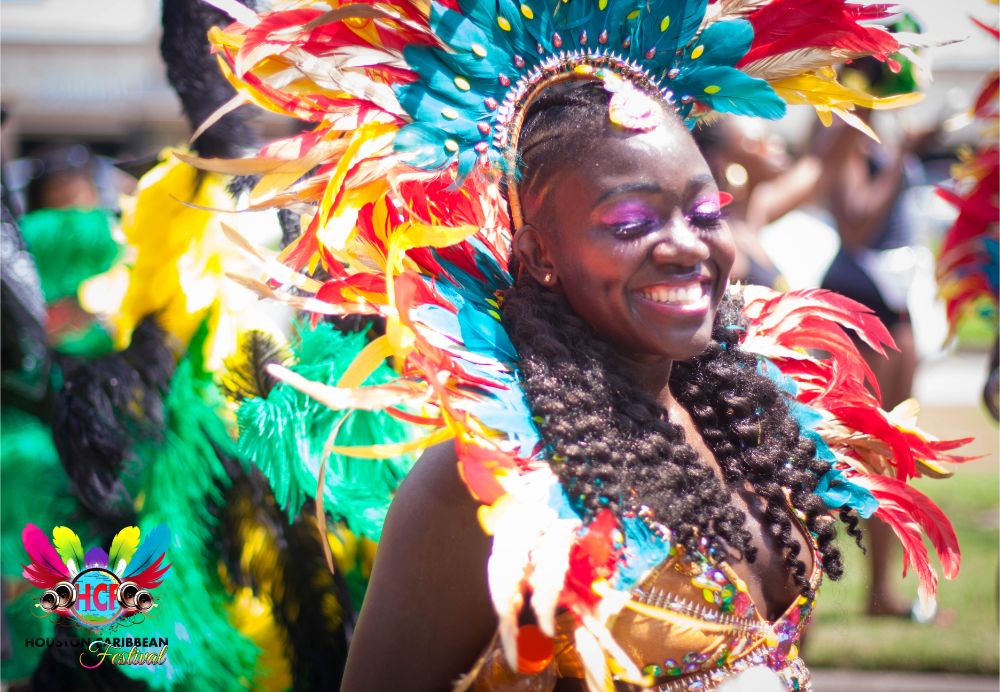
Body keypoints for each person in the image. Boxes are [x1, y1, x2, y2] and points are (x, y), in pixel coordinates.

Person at [206, 1, 969, 689]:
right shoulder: (482, 492)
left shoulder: (750, 426)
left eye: (705, 211)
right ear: (539, 253)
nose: (687, 248)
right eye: (632, 223)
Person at [818, 55, 938, 619]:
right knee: (861, 453)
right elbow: (856, 222)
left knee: (894, 452)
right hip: (861, 307)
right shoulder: (846, 133)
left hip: (896, 305)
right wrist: (905, 159)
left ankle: (883, 591)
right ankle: (861, 588)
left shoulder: (877, 130)